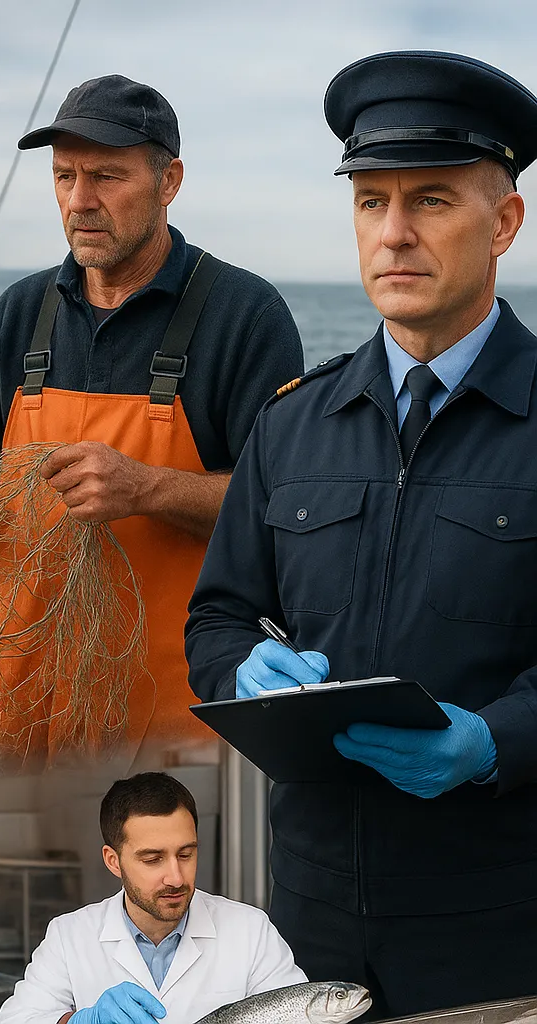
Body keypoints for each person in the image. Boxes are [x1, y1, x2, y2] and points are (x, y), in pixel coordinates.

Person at [185, 50, 537, 1016]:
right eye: (370, 201)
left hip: (501, 919)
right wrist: (241, 671)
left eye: (431, 200)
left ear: (504, 221)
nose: (393, 234)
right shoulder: (292, 423)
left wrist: (495, 741)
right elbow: (218, 617)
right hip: (307, 911)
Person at [0, 75, 303, 770]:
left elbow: (285, 511)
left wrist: (147, 488)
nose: (79, 200)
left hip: (171, 726)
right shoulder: (22, 312)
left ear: (169, 182)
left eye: (106, 176)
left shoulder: (244, 316)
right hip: (20, 710)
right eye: (64, 176)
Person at [0, 773, 306, 1024]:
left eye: (185, 854)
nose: (176, 878)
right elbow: (15, 1019)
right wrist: (79, 1021)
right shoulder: (69, 935)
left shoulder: (250, 931)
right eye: (153, 859)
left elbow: (303, 1015)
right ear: (113, 861)